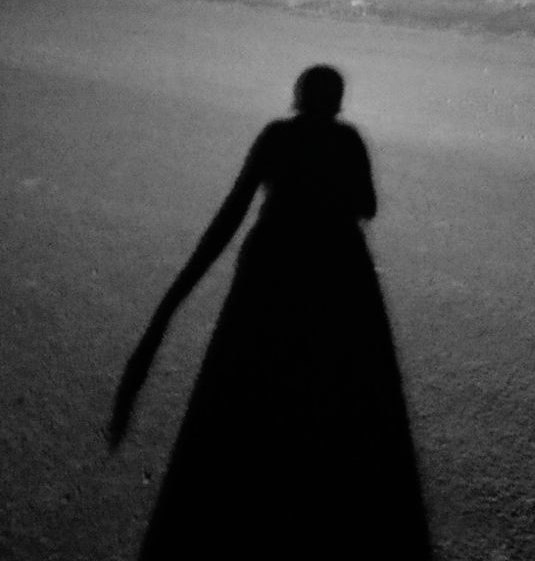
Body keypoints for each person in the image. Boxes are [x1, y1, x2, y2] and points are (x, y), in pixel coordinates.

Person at [109, 65, 431, 559]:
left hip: (272, 269)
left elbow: (234, 209)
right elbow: (367, 206)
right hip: (339, 272)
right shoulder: (348, 141)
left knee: (252, 390)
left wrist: (172, 303)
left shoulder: (277, 136)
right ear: (337, 102)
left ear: (297, 96)